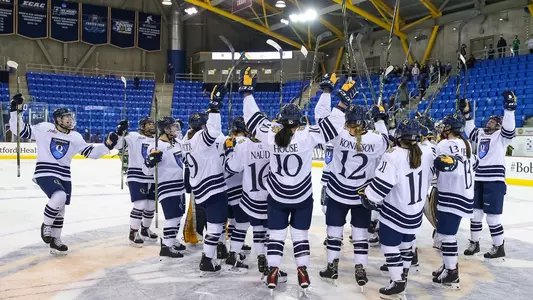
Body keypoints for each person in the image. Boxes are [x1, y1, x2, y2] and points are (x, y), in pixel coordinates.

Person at [243, 67, 354, 295]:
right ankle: (302, 270)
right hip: (302, 197)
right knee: (300, 236)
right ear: (298, 122)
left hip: (277, 196)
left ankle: (273, 271)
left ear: (282, 122)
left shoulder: (272, 134)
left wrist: (247, 93)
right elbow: (331, 125)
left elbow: (253, 120)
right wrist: (340, 102)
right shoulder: (307, 135)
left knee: (276, 236)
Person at [8, 94, 113, 255]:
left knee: (61, 208)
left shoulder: (75, 137)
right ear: (57, 119)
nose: (70, 120)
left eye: (70, 117)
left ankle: (56, 241)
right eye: (66, 118)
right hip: (45, 171)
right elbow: (19, 129)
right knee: (59, 196)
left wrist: (107, 145)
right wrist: (16, 110)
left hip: (64, 175)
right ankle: (46, 226)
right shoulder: (44, 128)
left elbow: (91, 152)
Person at [359, 119, 434, 299]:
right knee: (407, 245)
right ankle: (404, 275)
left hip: (396, 210)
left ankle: (397, 281)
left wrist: (367, 195)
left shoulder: (393, 155)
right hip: (415, 211)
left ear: (400, 136)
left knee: (389, 246)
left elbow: (381, 187)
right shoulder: (427, 152)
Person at [318, 103, 389, 289]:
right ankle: (360, 268)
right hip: (361, 194)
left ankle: (332, 267)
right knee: (360, 234)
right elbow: (386, 141)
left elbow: (324, 123)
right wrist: (380, 118)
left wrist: (339, 105)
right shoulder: (374, 139)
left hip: (337, 191)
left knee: (334, 232)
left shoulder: (338, 135)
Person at [225, 114, 285, 279]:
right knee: (271, 232)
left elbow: (234, 167)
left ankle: (260, 257)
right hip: (270, 194)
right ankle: (268, 261)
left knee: (256, 228)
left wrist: (231, 150)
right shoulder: (271, 143)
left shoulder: (243, 144)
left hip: (249, 196)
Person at [460, 91, 516, 260]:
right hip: (479, 180)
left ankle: (499, 247)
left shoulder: (502, 137)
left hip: (495, 182)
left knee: (492, 218)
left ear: (499, 125)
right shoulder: (482, 134)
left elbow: (509, 127)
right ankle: (474, 243)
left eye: (493, 121)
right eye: (489, 120)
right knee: (475, 214)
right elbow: (470, 131)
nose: (489, 122)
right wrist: (466, 114)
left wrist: (509, 109)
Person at [182, 84, 228, 274]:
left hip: (199, 188)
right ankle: (207, 259)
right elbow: (215, 132)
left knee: (215, 222)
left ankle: (217, 249)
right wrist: (215, 108)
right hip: (213, 186)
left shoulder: (186, 140)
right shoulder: (201, 137)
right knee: (216, 225)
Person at [432, 113, 475, 289]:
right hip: (464, 193)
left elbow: (439, 163)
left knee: (446, 236)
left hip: (452, 194)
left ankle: (452, 272)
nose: (442, 129)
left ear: (450, 129)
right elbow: (475, 164)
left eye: (444, 126)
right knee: (446, 234)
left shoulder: (445, 144)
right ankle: (448, 265)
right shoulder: (467, 144)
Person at [142, 117, 187, 259]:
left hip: (179, 184)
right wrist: (150, 161)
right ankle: (166, 246)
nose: (176, 129)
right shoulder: (156, 146)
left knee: (179, 215)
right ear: (166, 129)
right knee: (172, 216)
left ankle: (172, 239)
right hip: (167, 185)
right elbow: (146, 170)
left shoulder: (177, 143)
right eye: (173, 127)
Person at [113, 117, 158, 247]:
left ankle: (145, 229)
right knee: (140, 204)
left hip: (152, 176)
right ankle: (133, 232)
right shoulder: (133, 136)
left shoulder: (157, 140)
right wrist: (119, 132)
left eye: (152, 123)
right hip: (136, 175)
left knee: (151, 206)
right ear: (142, 127)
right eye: (148, 124)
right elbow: (118, 145)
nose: (151, 126)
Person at [221, 117, 250, 271]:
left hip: (224, 187)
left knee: (232, 220)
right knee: (243, 222)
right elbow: (236, 167)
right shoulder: (244, 142)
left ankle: (229, 248)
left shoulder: (226, 140)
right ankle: (234, 254)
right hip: (238, 187)